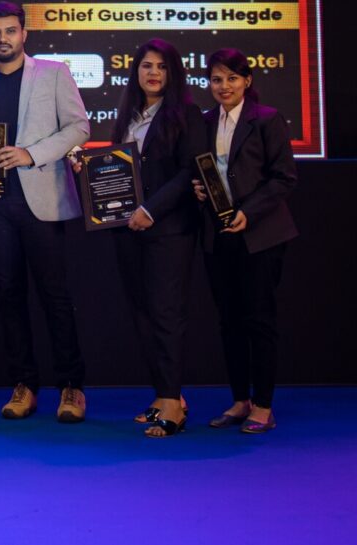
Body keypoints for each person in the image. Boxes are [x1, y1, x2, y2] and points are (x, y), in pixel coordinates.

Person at [0, 2, 90, 423]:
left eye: (10, 31)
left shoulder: (54, 73)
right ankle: (24, 385)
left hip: (42, 201)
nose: (3, 38)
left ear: (23, 34)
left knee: (55, 297)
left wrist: (31, 153)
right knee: (9, 297)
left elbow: (79, 127)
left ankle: (71, 386)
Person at [103, 38, 206, 437]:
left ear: (173, 73)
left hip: (169, 230)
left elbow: (189, 172)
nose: (153, 73)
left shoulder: (187, 114)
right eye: (146, 66)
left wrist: (151, 210)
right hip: (128, 230)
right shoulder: (128, 115)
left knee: (166, 314)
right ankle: (163, 397)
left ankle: (172, 402)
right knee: (142, 313)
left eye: (161, 67)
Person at [194, 48, 298, 434]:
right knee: (229, 322)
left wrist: (249, 212)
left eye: (232, 78)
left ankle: (264, 406)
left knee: (259, 321)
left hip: (261, 235)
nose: (224, 86)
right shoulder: (205, 121)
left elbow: (284, 178)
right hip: (218, 235)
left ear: (247, 81)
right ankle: (240, 401)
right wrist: (197, 190)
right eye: (217, 79)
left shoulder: (267, 119)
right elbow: (202, 172)